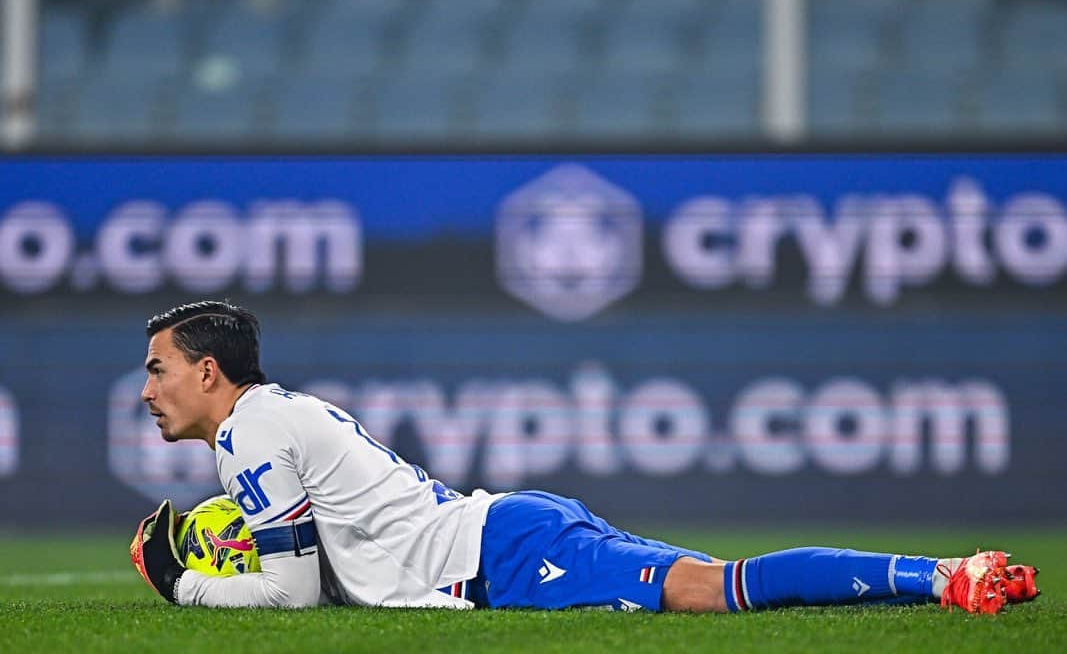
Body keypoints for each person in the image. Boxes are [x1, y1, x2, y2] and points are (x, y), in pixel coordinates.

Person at [130, 300, 1040, 615]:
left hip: (504, 551)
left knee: (709, 589)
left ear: (208, 372)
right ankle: (941, 576)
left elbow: (289, 595)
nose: (147, 390)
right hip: (500, 534)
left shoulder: (250, 433)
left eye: (159, 369)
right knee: (707, 584)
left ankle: (947, 577)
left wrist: (188, 584)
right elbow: (324, 573)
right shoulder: (271, 417)